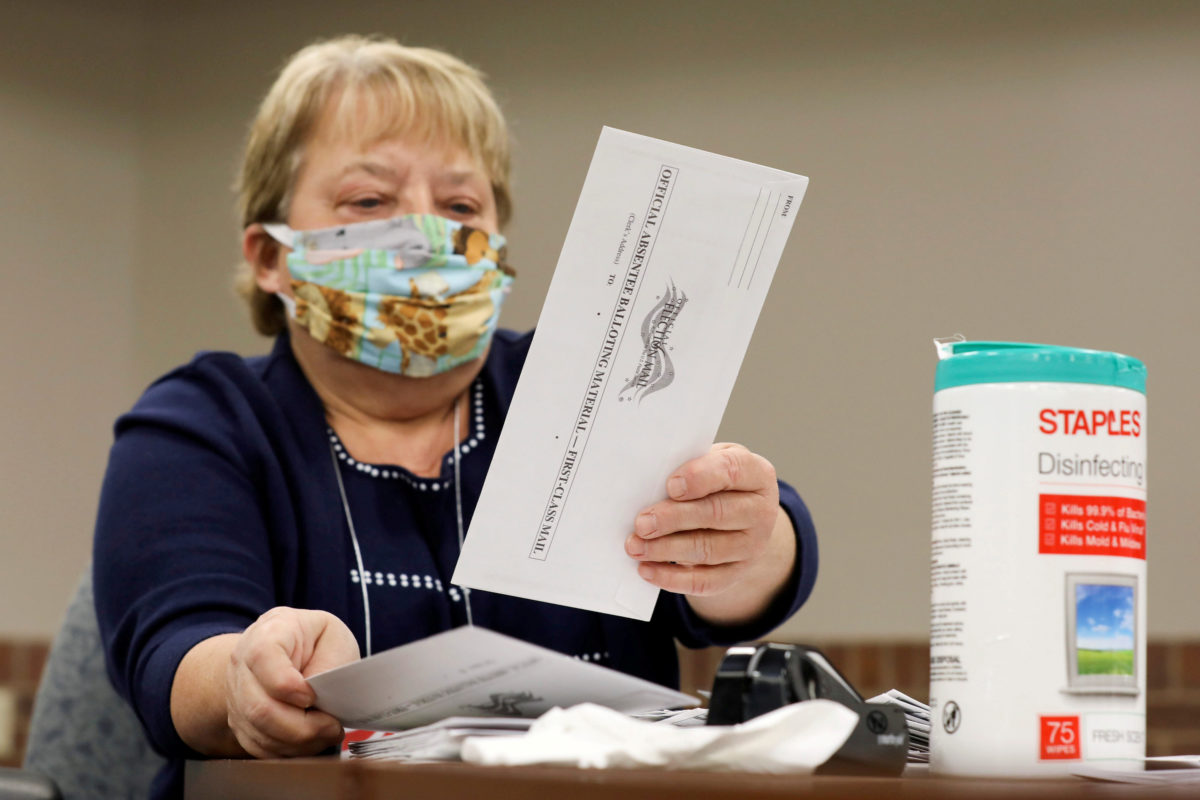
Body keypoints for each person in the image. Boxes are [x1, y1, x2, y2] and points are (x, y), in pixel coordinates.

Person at [93, 35, 818, 799]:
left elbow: (744, 574)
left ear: (497, 248)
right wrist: (249, 676)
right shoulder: (204, 422)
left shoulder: (577, 387)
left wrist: (747, 539)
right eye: (369, 201)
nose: (425, 236)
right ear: (271, 257)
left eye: (461, 206)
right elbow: (174, 654)